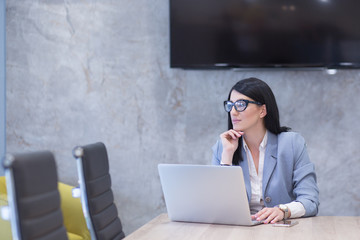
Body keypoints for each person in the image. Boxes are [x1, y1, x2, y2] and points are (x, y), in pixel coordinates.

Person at [212, 77, 319, 224]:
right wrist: (227, 157)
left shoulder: (292, 143)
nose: (233, 112)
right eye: (230, 105)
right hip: (238, 230)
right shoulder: (222, 147)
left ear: (262, 110)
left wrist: (283, 211)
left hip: (280, 229)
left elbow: (310, 200)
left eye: (241, 104)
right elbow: (216, 205)